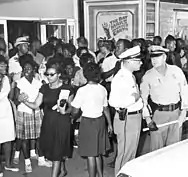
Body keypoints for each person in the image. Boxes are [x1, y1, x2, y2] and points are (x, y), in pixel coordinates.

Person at [20, 58, 74, 177]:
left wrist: (65, 111)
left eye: (51, 74)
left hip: (62, 122)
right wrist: (24, 101)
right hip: (48, 121)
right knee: (53, 148)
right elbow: (35, 105)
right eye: (47, 74)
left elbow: (73, 108)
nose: (48, 77)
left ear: (59, 74)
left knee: (57, 150)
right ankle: (63, 170)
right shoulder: (44, 88)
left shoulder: (67, 88)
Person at [140, 45, 188, 152]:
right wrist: (148, 119)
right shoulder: (148, 76)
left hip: (176, 114)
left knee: (174, 150)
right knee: (157, 151)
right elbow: (142, 99)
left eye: (157, 57)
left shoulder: (176, 71)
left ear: (164, 57)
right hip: (159, 115)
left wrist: (184, 112)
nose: (154, 60)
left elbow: (185, 92)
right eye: (152, 57)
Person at [71, 62, 112, 177]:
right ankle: (100, 174)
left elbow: (74, 111)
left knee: (90, 155)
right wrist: (110, 124)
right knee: (98, 152)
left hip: (88, 122)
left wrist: (72, 117)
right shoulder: (103, 89)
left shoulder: (82, 91)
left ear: (85, 74)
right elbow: (106, 108)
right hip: (100, 121)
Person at [109, 46, 144, 175]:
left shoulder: (130, 76)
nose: (141, 63)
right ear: (128, 61)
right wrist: (134, 98)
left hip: (133, 118)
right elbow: (113, 102)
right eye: (138, 60)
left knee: (131, 153)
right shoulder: (121, 78)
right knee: (125, 155)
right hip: (127, 119)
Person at [0, 55, 18, 177]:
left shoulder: (7, 78)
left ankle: (8, 163)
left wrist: (12, 86)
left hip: (6, 109)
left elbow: (10, 97)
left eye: (5, 64)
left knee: (8, 138)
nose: (5, 67)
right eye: (1, 65)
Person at [13, 54, 42, 173]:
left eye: (29, 69)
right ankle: (27, 162)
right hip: (24, 113)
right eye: (24, 69)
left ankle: (41, 158)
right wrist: (18, 97)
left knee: (38, 137)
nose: (26, 71)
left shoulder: (38, 82)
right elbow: (15, 99)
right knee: (24, 139)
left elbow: (41, 98)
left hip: (36, 112)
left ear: (34, 70)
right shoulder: (19, 82)